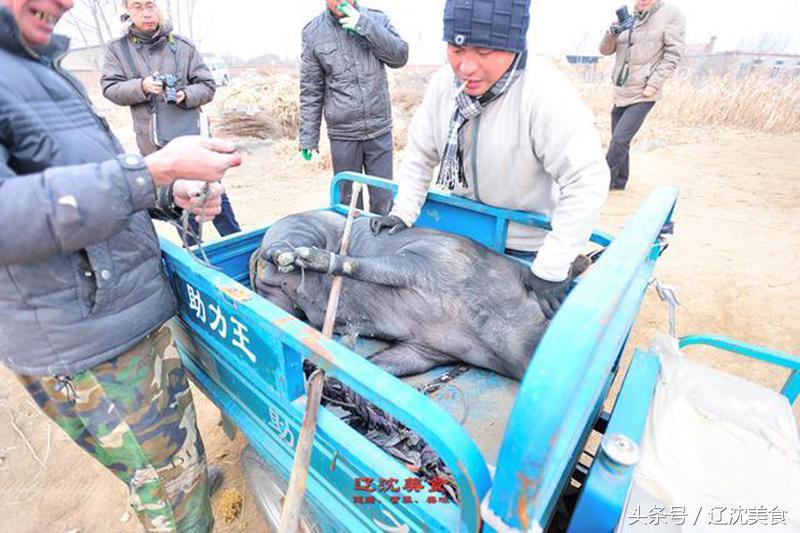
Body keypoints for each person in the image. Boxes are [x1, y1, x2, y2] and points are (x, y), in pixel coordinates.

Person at [0, 0, 242, 529]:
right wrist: (151, 170)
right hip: (90, 343)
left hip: (122, 317)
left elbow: (88, 178)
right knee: (173, 501)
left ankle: (181, 480)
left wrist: (166, 190)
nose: (66, 3)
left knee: (169, 460)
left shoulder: (37, 67)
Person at [370, 0, 610, 319]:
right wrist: (403, 212)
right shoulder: (444, 86)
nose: (466, 67)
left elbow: (586, 180)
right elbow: (420, 153)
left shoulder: (544, 93)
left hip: (525, 245)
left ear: (513, 47)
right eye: (457, 51)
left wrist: (551, 266)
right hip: (461, 237)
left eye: (483, 52)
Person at [101, 0, 241, 241]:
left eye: (150, 5)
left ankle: (241, 253)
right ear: (126, 10)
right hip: (155, 147)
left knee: (214, 199)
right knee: (180, 210)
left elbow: (207, 86)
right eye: (137, 7)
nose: (146, 13)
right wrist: (141, 86)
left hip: (192, 141)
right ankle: (196, 261)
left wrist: (184, 95)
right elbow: (110, 88)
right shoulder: (118, 50)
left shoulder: (183, 46)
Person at [299, 0, 409, 215]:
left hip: (379, 129)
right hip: (344, 134)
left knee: (383, 200)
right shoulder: (313, 33)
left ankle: (382, 244)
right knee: (348, 204)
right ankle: (352, 245)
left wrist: (364, 25)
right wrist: (308, 137)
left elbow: (400, 57)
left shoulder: (377, 19)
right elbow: (311, 88)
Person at [599, 0, 685, 190]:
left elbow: (673, 54)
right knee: (620, 140)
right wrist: (612, 32)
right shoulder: (630, 19)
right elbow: (604, 51)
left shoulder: (670, 15)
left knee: (619, 139)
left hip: (644, 92)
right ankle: (619, 182)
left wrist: (653, 84)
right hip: (622, 91)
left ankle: (599, 183)